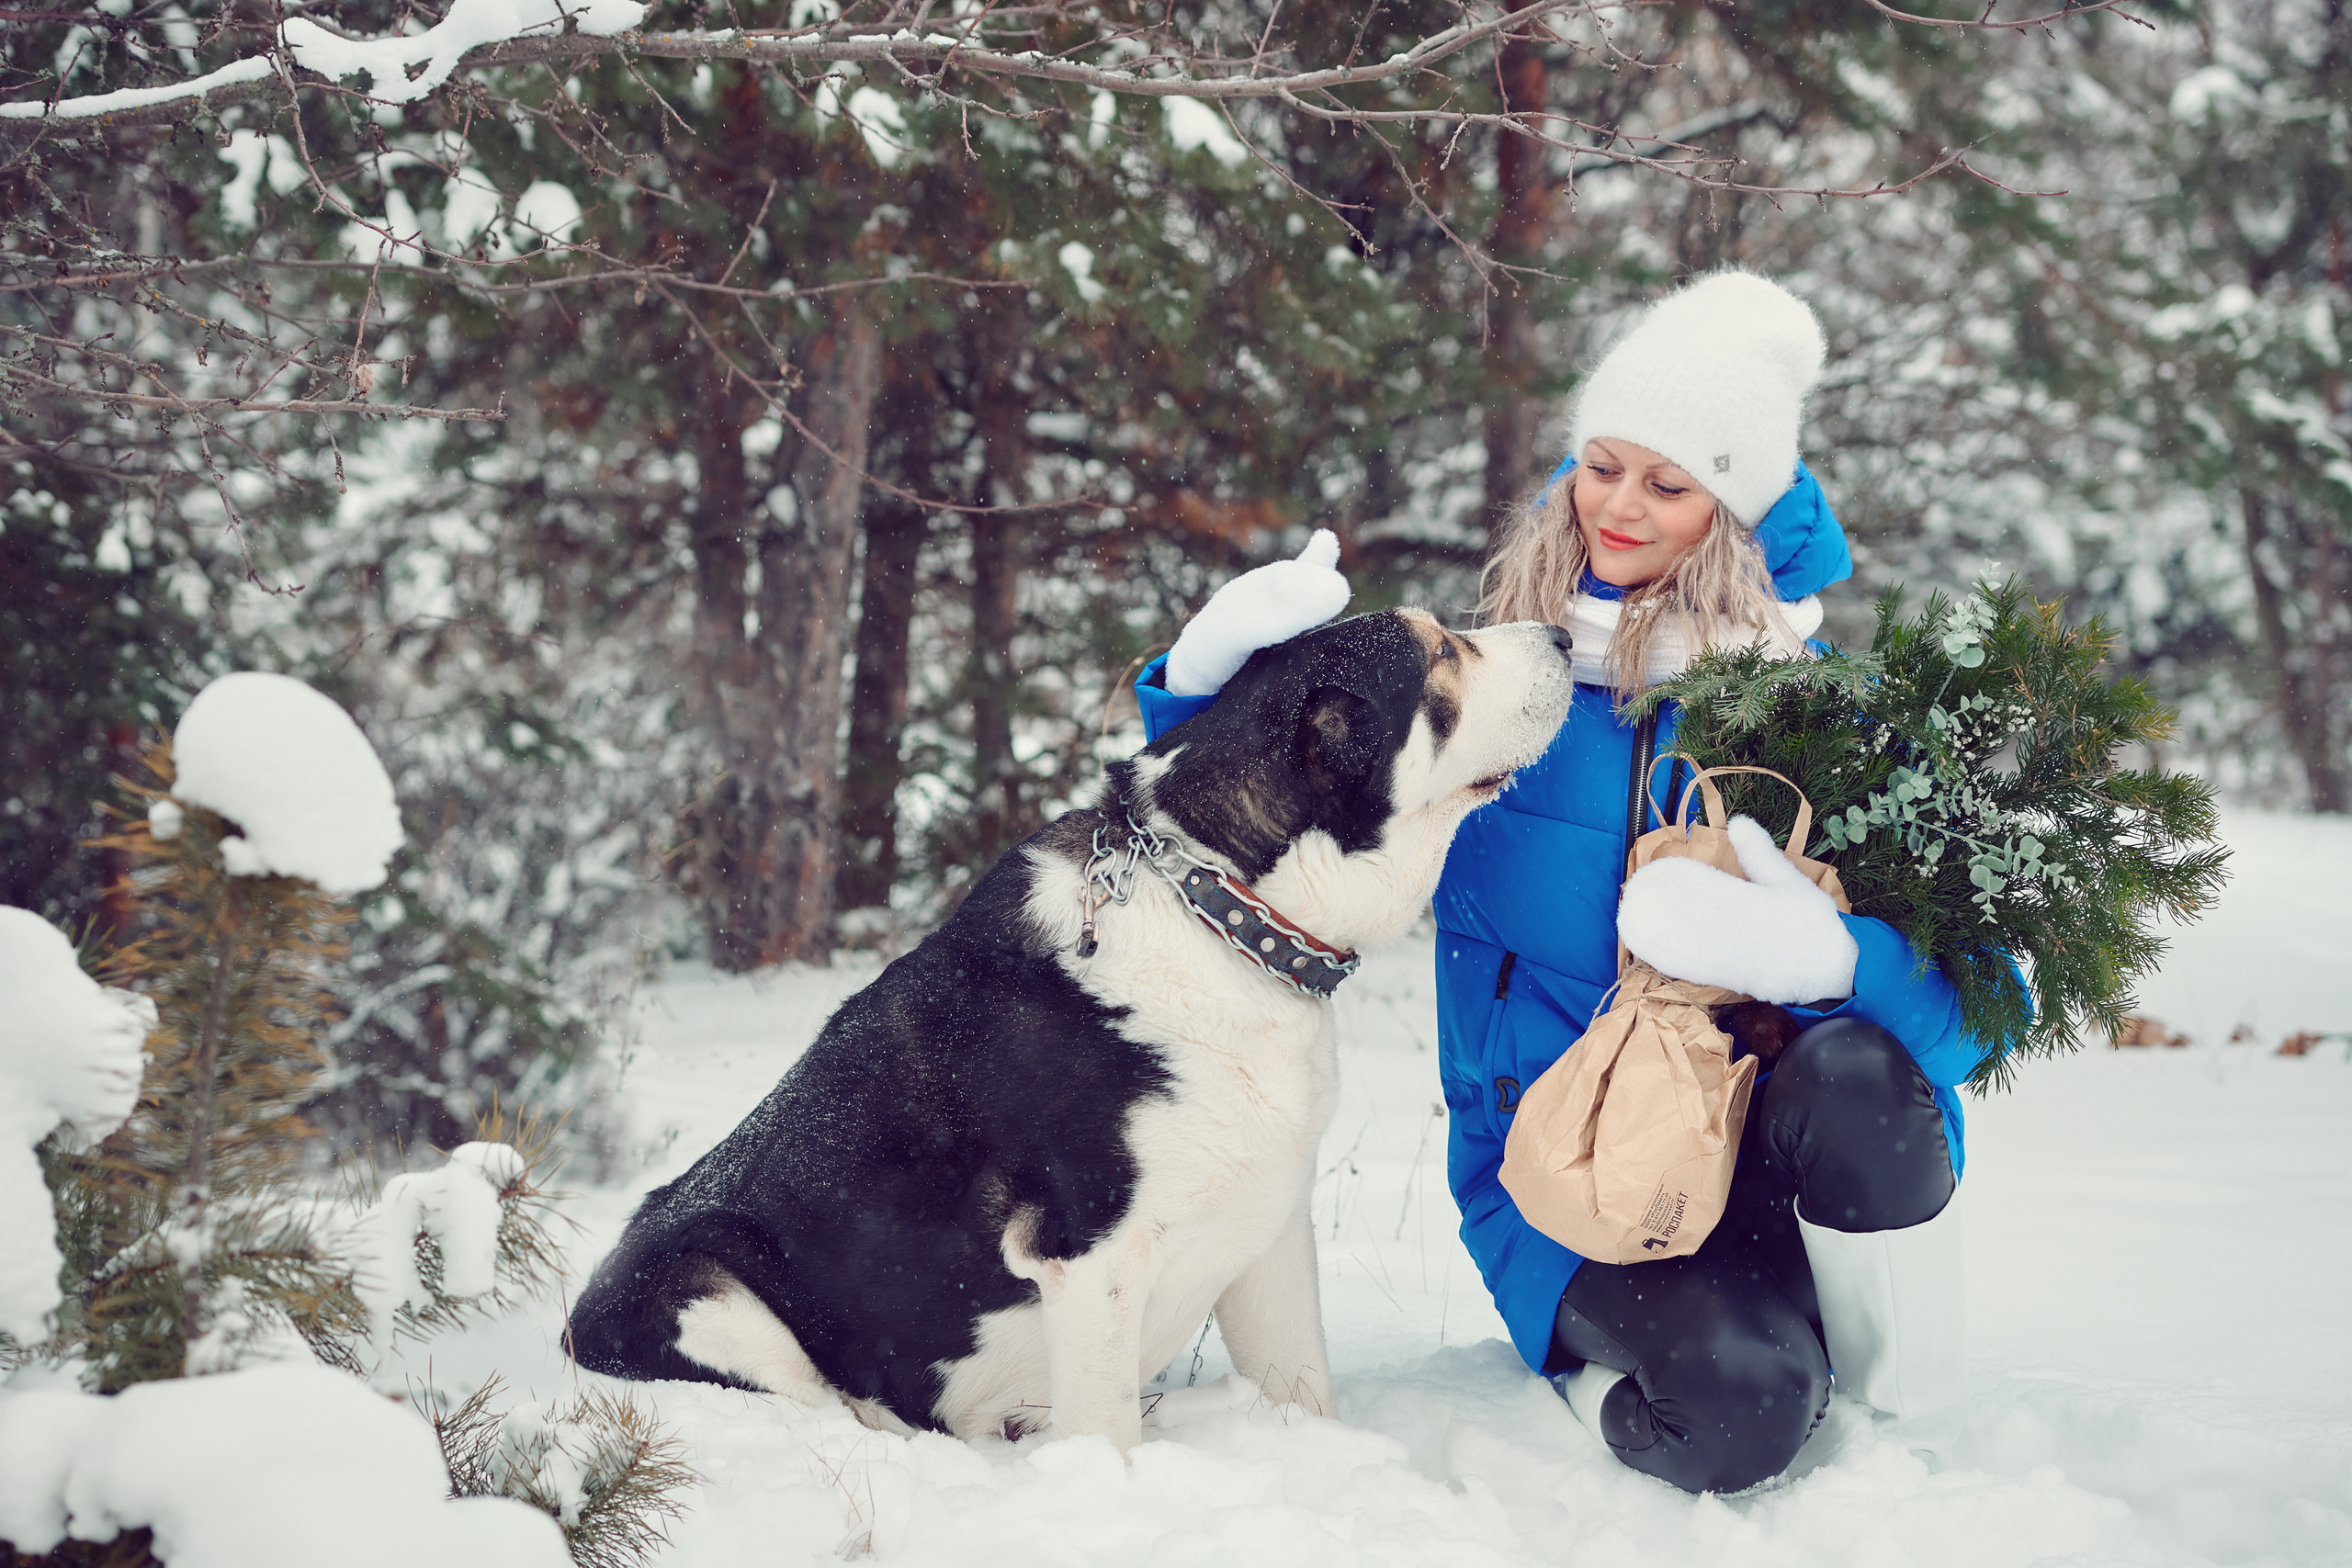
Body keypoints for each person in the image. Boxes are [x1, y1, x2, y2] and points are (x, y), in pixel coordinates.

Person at [1133, 272, 1974, 1494]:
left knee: (1866, 1075)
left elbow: (1976, 1010)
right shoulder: (1503, 688)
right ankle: (1644, 1380)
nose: (1618, 507)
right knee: (1742, 1414)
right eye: (1601, 464)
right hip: (1570, 1171)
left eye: (1670, 484)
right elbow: (1268, 801)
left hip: (1771, 1150)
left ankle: (1905, 1446)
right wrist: (1194, 683)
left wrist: (1835, 966)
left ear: (1735, 514)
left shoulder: (1825, 715)